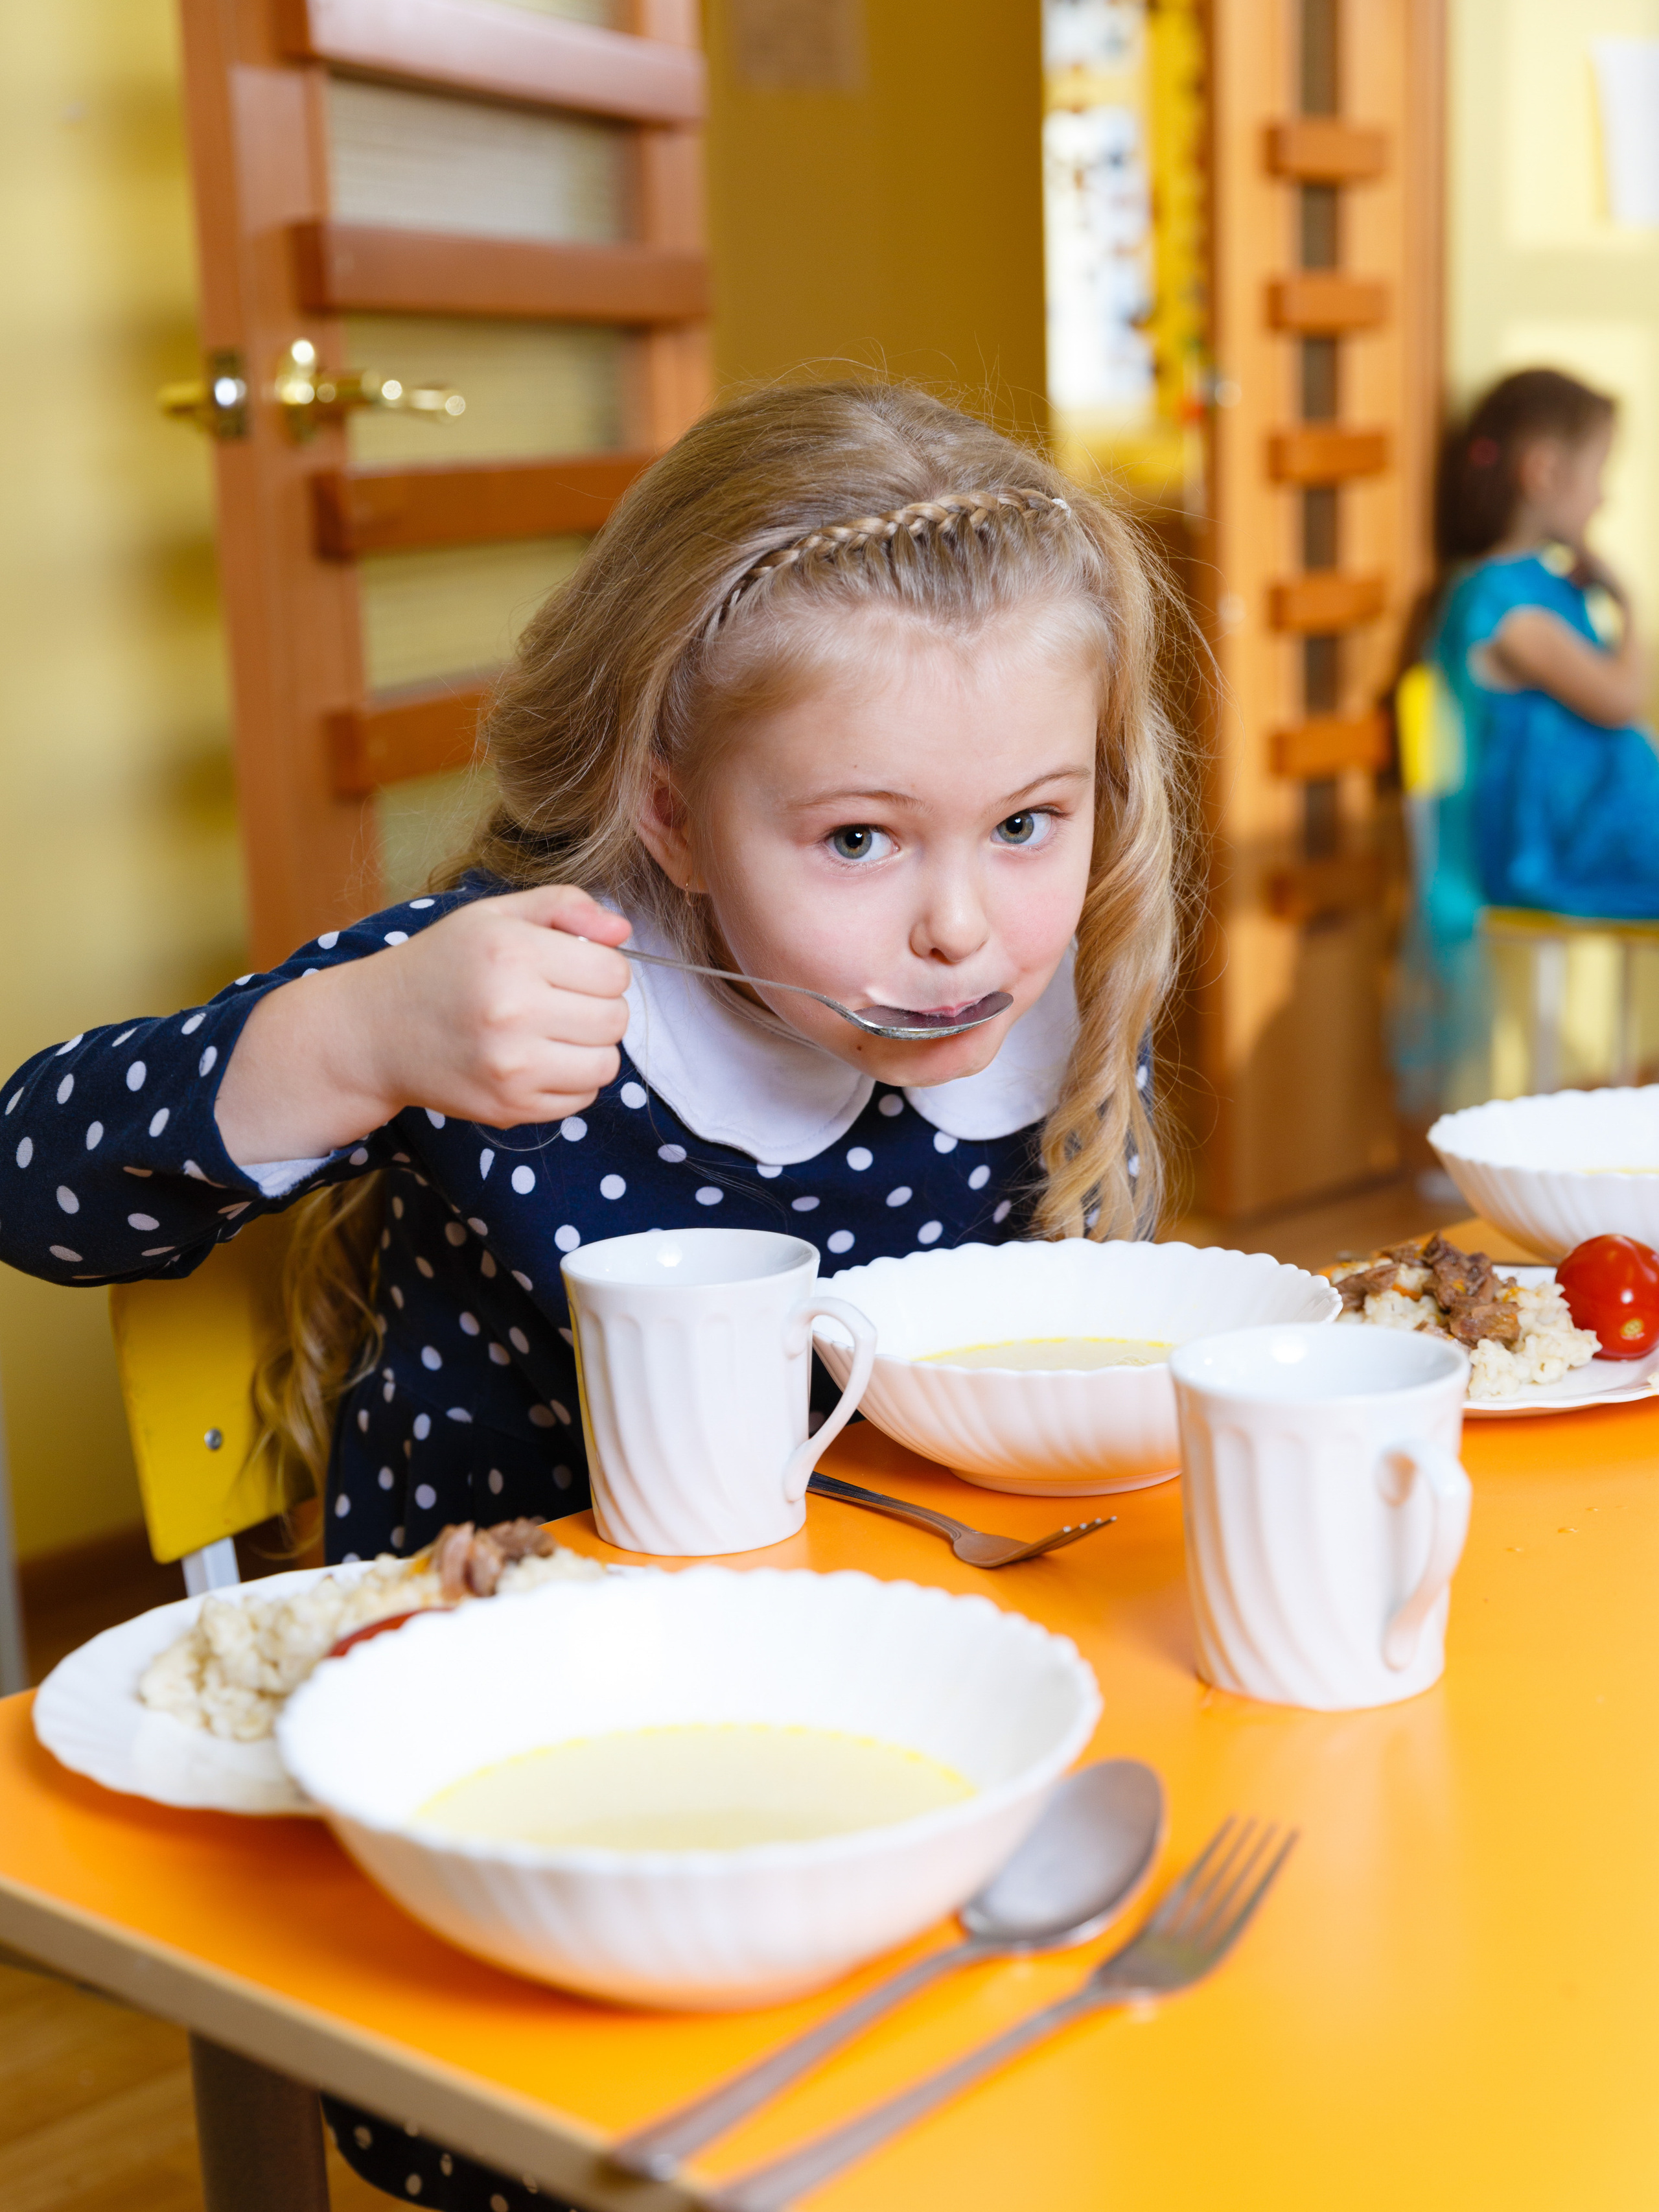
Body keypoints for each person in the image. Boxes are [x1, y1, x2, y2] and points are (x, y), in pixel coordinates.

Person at [0, 381, 1192, 2209]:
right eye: (862, 841)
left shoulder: (1039, 995)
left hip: (898, 1730)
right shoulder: (521, 991)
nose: (965, 928)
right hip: (531, 1774)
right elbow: (34, 1174)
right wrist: (354, 1035)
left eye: (1029, 821)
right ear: (674, 813)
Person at [1392, 367, 1657, 1116]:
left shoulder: (1540, 587)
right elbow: (1618, 697)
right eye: (1599, 472)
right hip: (1548, 845)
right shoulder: (1501, 600)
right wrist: (1628, 604)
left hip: (1592, 827)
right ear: (1543, 471)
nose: (1604, 496)